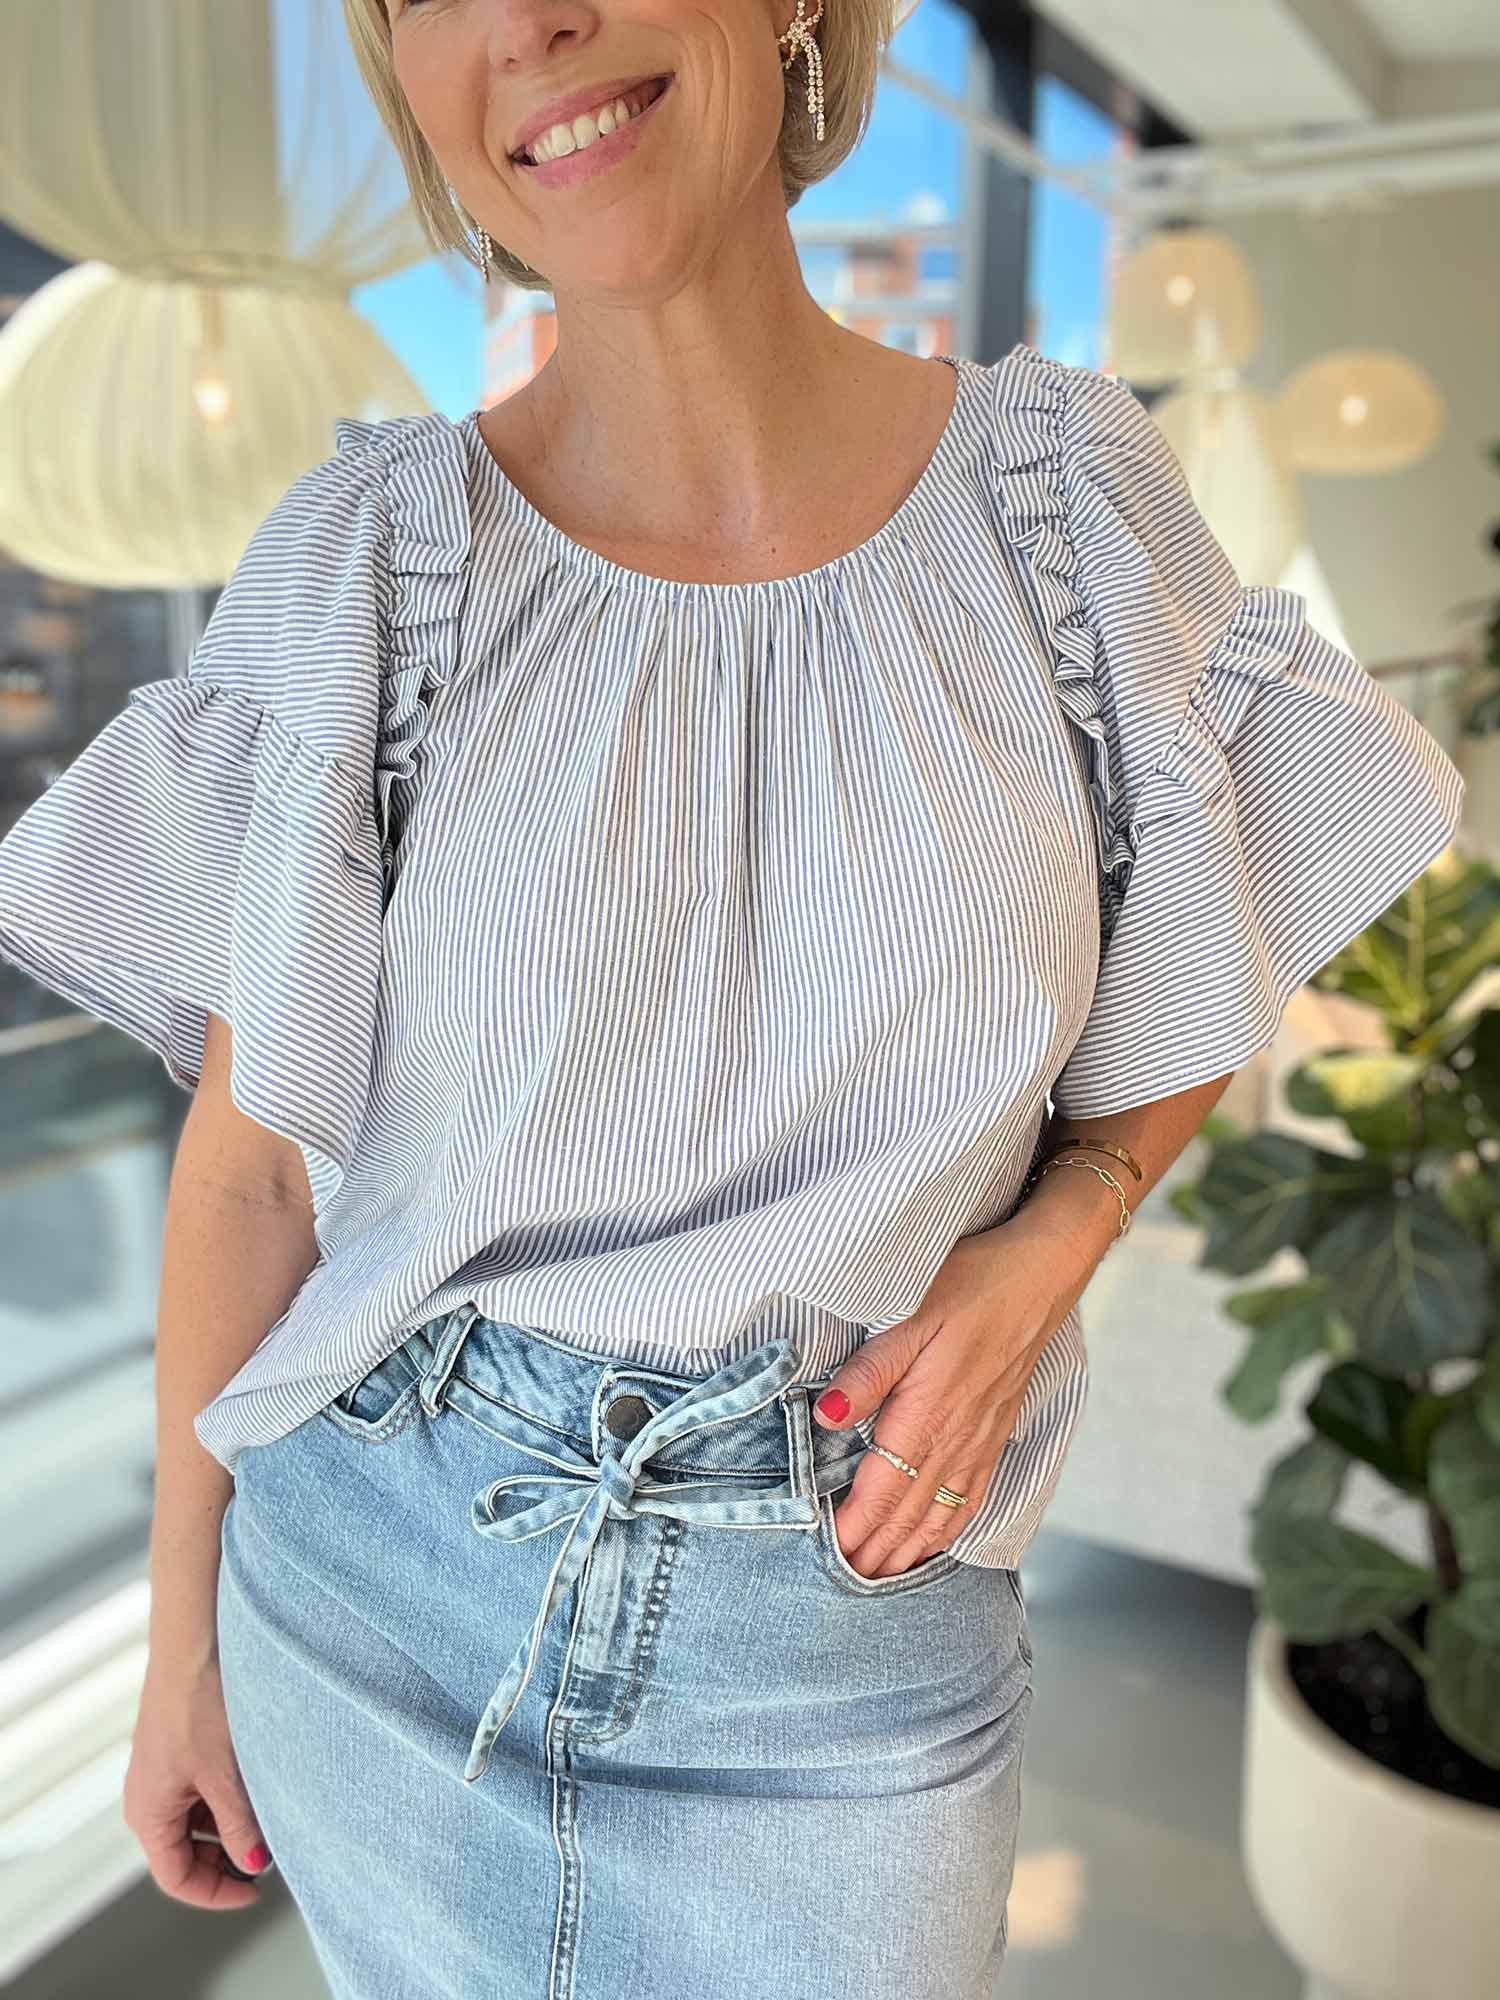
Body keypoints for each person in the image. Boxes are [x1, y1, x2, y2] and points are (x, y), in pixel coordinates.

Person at [0, 1, 1466, 1993]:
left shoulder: (1063, 503)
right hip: (371, 1577)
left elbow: (1209, 949)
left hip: (844, 1636)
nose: (530, 23)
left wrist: (1057, 1233)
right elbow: (251, 1174)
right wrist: (181, 1641)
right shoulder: (366, 562)